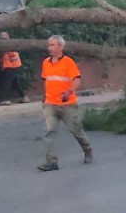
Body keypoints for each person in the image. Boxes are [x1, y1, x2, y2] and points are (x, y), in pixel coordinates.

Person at [37, 35, 93, 172]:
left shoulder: (68, 62)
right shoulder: (46, 63)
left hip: (67, 104)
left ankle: (88, 150)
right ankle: (51, 162)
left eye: (53, 45)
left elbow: (77, 80)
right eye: (49, 45)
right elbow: (46, 80)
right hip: (50, 103)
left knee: (76, 131)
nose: (49, 47)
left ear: (61, 47)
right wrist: (44, 97)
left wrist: (69, 91)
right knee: (48, 132)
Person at [0, 32, 29, 105]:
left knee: (7, 83)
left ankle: (6, 99)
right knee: (15, 83)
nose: (3, 39)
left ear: (8, 36)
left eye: (4, 37)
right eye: (1, 37)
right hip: (15, 65)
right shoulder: (10, 44)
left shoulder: (7, 45)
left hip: (11, 65)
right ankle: (24, 97)